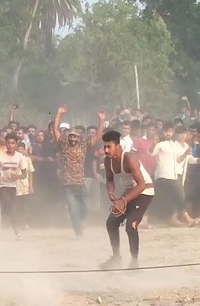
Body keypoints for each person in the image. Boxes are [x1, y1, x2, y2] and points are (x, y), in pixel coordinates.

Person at [101, 130, 155, 269]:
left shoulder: (129, 157)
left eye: (109, 147)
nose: (106, 150)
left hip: (145, 191)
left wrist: (123, 201)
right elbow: (109, 180)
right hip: (131, 191)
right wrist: (111, 191)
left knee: (131, 226)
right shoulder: (108, 161)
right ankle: (116, 257)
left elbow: (142, 184)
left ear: (117, 146)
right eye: (104, 147)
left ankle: (134, 262)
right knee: (111, 223)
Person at [52, 106, 105, 238]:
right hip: (68, 186)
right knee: (73, 210)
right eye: (70, 136)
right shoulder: (63, 146)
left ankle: (78, 222)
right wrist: (58, 114)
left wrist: (101, 121)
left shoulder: (83, 146)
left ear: (79, 138)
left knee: (86, 209)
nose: (73, 139)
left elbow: (98, 136)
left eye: (75, 137)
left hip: (81, 185)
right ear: (67, 137)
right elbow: (55, 129)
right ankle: (79, 232)